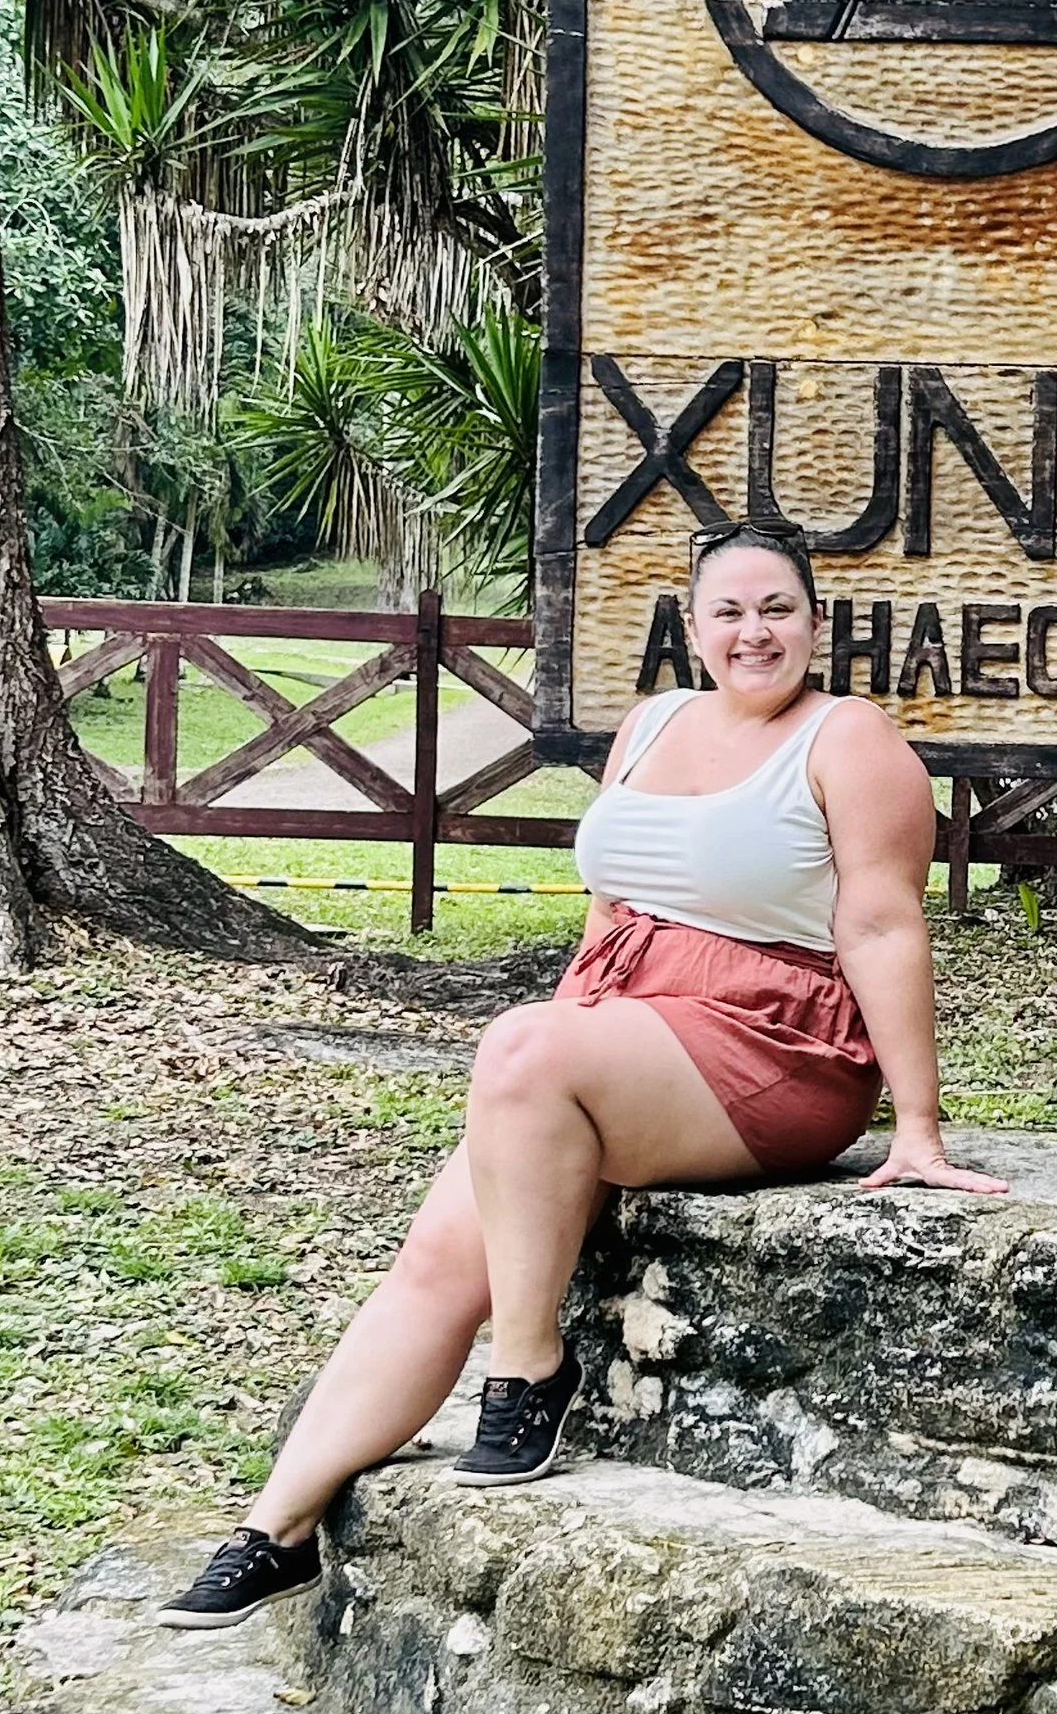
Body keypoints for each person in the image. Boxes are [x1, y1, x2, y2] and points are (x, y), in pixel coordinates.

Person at [158, 520, 1005, 1627]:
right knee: (435, 1255)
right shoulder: (650, 724)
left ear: (814, 621)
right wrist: (548, 1070)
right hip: (614, 1031)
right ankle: (274, 1530)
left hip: (775, 1043)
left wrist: (918, 1127)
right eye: (730, 612)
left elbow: (884, 927)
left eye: (778, 610)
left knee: (518, 1047)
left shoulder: (849, 741)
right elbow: (609, 912)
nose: (755, 633)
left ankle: (529, 1368)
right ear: (693, 628)